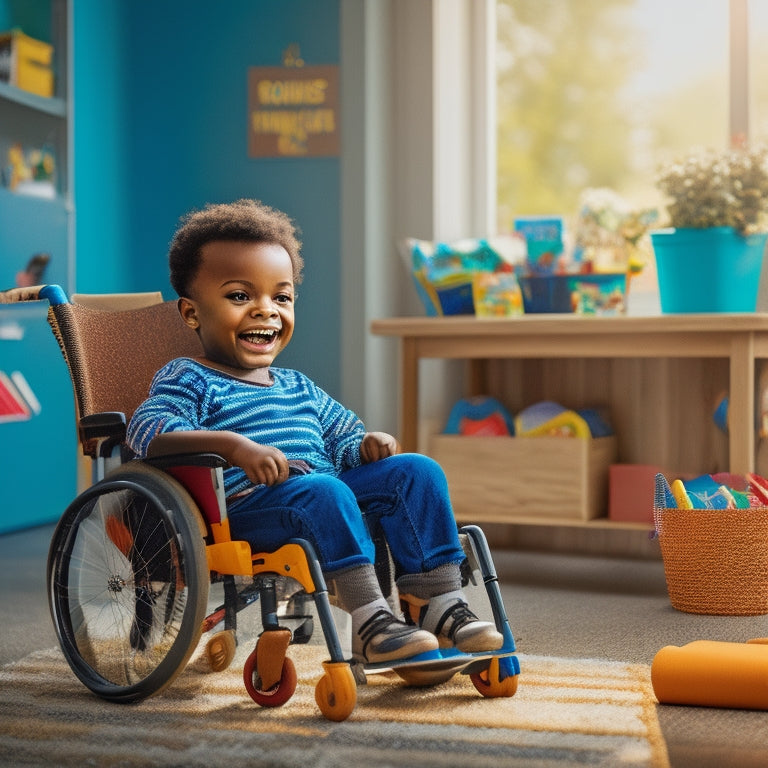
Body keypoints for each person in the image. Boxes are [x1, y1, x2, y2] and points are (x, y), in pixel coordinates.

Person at [127, 199, 503, 664]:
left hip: (325, 497)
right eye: (240, 296)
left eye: (280, 297)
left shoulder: (297, 385)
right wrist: (235, 446)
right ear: (191, 313)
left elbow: (342, 438)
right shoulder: (188, 376)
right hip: (248, 511)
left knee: (415, 471)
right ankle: (370, 619)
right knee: (324, 490)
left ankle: (437, 603)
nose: (265, 311)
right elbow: (148, 429)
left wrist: (366, 445)